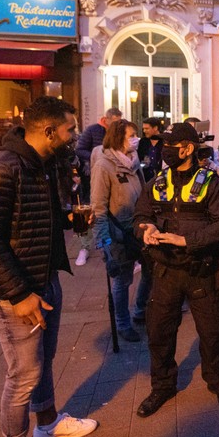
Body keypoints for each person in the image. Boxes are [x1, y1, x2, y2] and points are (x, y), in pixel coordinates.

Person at [0, 97, 97, 437]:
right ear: (49, 131)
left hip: (44, 277)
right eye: (70, 130)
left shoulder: (42, 164)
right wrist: (18, 294)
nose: (74, 136)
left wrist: (68, 218)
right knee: (24, 373)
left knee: (43, 361)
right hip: (16, 289)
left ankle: (48, 424)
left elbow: (33, 219)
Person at [132, 123, 219, 417]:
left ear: (187, 149)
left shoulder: (210, 183)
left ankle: (218, 381)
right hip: (165, 271)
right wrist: (146, 229)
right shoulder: (156, 181)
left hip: (201, 269)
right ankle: (163, 386)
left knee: (213, 331)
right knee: (159, 332)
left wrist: (187, 240)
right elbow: (139, 216)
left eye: (170, 145)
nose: (165, 150)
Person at [91, 119, 149, 343]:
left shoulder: (134, 164)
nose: (136, 139)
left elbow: (143, 194)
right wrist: (105, 244)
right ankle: (123, 323)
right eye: (131, 135)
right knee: (122, 281)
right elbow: (98, 208)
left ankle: (140, 310)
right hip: (119, 235)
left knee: (150, 273)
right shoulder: (104, 166)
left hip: (139, 230)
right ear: (119, 138)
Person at [73, 107, 123, 266]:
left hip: (111, 177)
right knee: (88, 209)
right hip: (91, 175)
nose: (117, 125)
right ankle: (85, 247)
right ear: (106, 119)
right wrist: (98, 158)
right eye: (114, 122)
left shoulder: (117, 133)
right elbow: (79, 150)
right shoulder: (93, 130)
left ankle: (111, 245)